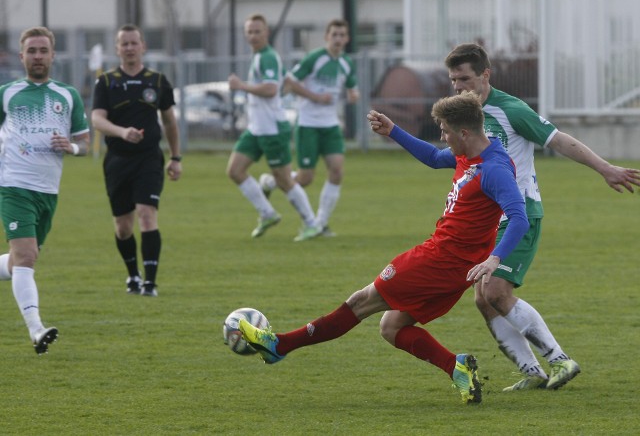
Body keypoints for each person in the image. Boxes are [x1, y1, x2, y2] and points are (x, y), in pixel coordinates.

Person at [239, 92, 530, 404]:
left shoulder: (494, 169)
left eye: (445, 131)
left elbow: (519, 218)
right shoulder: (468, 154)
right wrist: (393, 131)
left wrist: (494, 259)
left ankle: (278, 346)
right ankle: (457, 367)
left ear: (464, 132)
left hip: (441, 259)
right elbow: (433, 158)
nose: (442, 137)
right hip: (453, 265)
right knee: (391, 327)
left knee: (361, 301)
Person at [444, 43, 640, 391]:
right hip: (488, 220)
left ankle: (559, 359)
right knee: (483, 298)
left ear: (485, 75)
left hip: (519, 212)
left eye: (465, 79)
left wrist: (604, 168)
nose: (459, 87)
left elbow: (558, 140)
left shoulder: (511, 110)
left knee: (495, 290)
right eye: (454, 80)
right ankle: (532, 372)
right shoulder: (465, 115)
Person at [0, 27, 90, 354]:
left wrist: (72, 148)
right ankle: (36, 329)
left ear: (53, 55)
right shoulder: (7, 93)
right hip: (13, 187)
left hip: (48, 192)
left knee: (23, 258)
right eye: (31, 51)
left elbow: (85, 143)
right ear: (22, 55)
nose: (37, 56)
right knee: (26, 257)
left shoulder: (67, 96)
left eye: (43, 50)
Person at [92, 24, 182, 297]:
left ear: (143, 46)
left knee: (146, 214)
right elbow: (97, 119)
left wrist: (175, 157)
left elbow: (169, 122)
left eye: (134, 43)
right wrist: (122, 132)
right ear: (117, 49)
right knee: (123, 227)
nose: (129, 48)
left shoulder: (157, 81)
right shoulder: (106, 82)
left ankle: (150, 283)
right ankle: (133, 275)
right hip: (118, 161)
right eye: (124, 43)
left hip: (149, 159)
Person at [259, 18, 360, 237]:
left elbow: (353, 87)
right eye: (334, 35)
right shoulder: (315, 58)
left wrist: (353, 95)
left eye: (342, 35)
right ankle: (270, 181)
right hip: (308, 124)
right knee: (305, 179)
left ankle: (319, 224)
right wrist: (314, 96)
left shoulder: (346, 62)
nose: (338, 39)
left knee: (337, 170)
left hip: (331, 124)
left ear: (347, 39)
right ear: (327, 37)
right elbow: (290, 83)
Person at [226, 14, 321, 242]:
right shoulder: (259, 56)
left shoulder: (267, 57)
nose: (253, 35)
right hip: (257, 128)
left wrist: (241, 86)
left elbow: (270, 89)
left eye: (257, 31)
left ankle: (311, 223)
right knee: (235, 171)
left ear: (266, 33)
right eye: (249, 31)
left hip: (272, 130)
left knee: (284, 180)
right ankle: (267, 213)